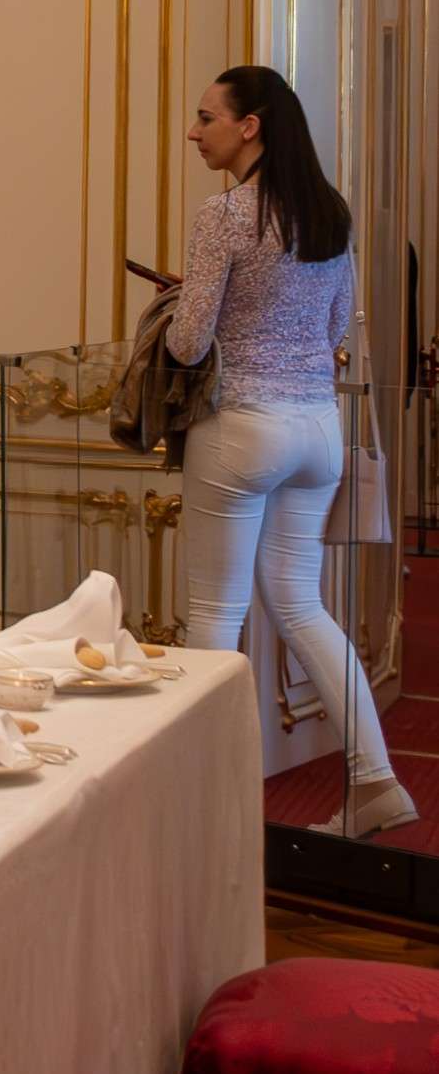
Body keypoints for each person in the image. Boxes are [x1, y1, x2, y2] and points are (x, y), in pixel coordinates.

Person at [159, 64, 409, 837]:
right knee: (301, 605)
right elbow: (335, 331)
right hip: (317, 435)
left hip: (242, 428)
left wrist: (177, 305)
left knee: (212, 616)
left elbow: (190, 339)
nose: (195, 132)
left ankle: (207, 819)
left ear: (251, 125)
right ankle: (374, 782)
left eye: (207, 118)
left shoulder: (226, 214)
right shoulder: (329, 212)